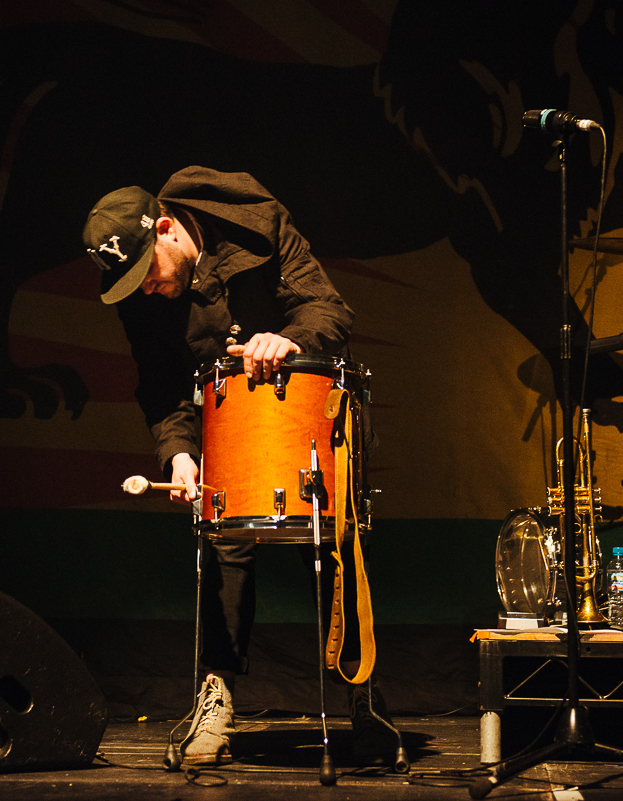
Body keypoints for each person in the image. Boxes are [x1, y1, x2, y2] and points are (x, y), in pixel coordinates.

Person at [82, 166, 394, 767]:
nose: (144, 290)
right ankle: (216, 698)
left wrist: (290, 338)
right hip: (225, 429)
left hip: (308, 414)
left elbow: (329, 307)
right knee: (219, 547)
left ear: (168, 230)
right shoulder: (143, 298)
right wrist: (178, 456)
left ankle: (364, 699)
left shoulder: (257, 222)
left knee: (335, 547)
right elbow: (161, 387)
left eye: (147, 273)